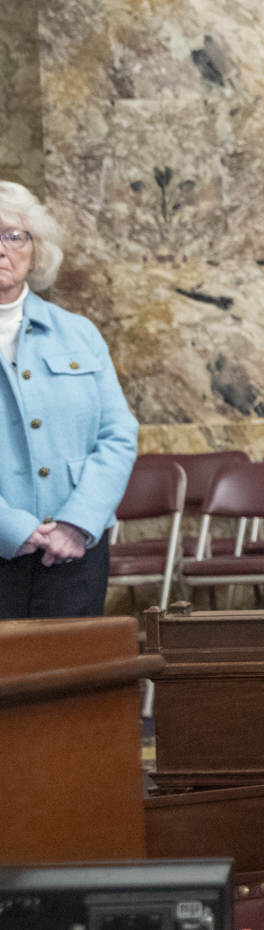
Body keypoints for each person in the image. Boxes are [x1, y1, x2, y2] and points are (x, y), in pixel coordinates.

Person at [0, 183, 137, 619]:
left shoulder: (78, 333)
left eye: (13, 235)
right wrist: (9, 528)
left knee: (74, 680)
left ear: (35, 249)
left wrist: (78, 523)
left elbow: (118, 435)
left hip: (74, 552)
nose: (1, 249)